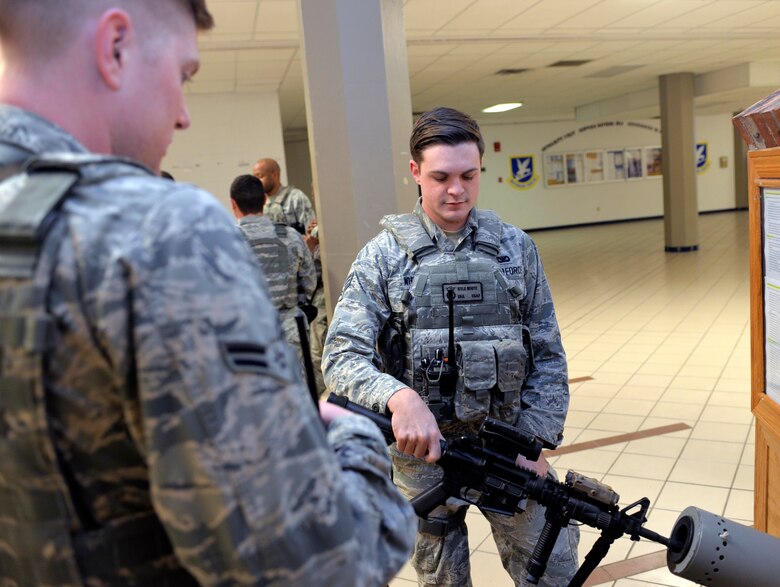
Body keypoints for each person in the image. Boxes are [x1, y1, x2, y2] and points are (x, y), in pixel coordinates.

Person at [0, 1, 415, 586]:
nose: (183, 115)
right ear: (115, 45)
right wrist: (350, 436)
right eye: (182, 75)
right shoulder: (158, 233)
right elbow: (316, 566)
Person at [323, 107, 580, 586]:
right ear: (415, 172)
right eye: (441, 176)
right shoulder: (382, 258)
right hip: (423, 459)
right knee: (442, 580)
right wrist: (399, 397)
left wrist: (534, 439)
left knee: (555, 569)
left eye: (469, 175)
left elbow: (548, 353)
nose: (456, 190)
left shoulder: (515, 249)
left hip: (508, 449)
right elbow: (341, 357)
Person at [229, 174, 317, 378]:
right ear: (264, 201)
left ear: (233, 204)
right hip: (290, 331)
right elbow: (309, 282)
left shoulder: (226, 240)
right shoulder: (290, 236)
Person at [252, 157, 316, 234]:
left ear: (274, 175)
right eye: (255, 178)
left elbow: (311, 231)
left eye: (260, 176)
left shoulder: (295, 197)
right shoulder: (257, 203)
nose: (256, 182)